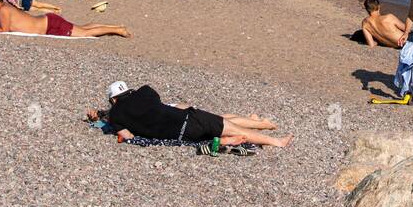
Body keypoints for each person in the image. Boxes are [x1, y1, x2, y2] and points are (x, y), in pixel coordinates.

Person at [86, 81, 291, 148]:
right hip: (188, 119)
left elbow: (129, 136)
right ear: (128, 91)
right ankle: (275, 141)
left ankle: (255, 125)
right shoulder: (145, 92)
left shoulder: (115, 117)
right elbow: (157, 104)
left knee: (221, 122)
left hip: (180, 135)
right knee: (227, 124)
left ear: (113, 100)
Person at [0, 0, 130, 38]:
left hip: (50, 25)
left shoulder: (4, 10)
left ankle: (117, 30)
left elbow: (3, 30)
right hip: (48, 22)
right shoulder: (2, 8)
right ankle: (115, 26)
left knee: (84, 33)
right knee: (83, 27)